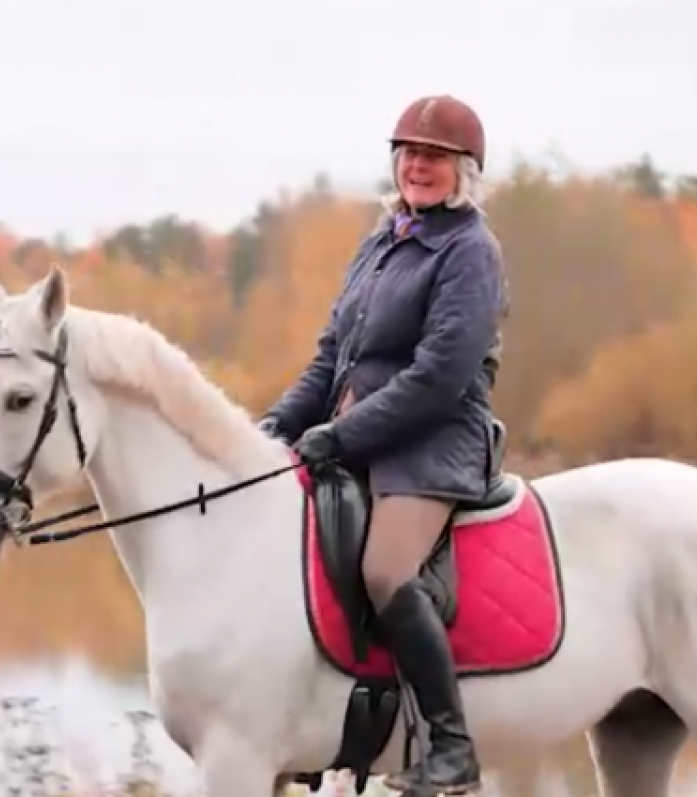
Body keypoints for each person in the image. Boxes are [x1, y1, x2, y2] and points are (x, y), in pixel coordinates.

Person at [259, 94, 508, 795]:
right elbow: (330, 358)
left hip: (433, 442)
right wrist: (270, 430)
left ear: (464, 171)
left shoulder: (470, 250)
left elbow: (439, 376)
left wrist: (340, 435)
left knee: (385, 571)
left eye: (434, 156)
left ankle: (452, 749)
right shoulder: (380, 242)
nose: (418, 166)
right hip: (360, 438)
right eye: (409, 153)